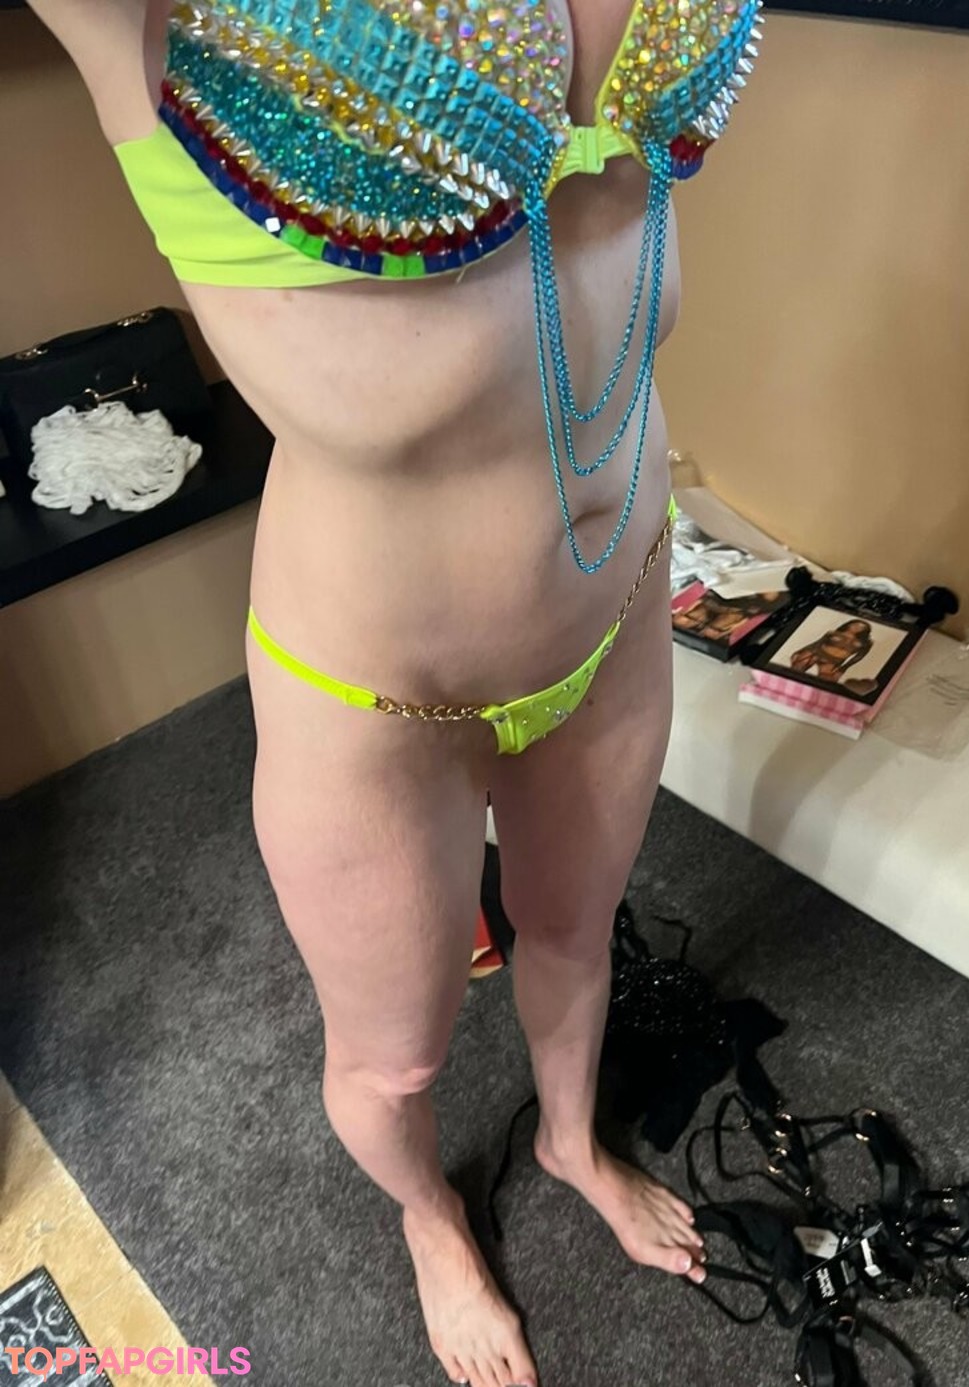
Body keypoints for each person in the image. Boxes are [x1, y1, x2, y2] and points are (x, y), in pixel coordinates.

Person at [25, 3, 763, 1383]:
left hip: (618, 598)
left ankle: (568, 1140)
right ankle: (431, 1218)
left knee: (576, 931)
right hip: (376, 693)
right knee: (394, 1059)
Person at [789, 619, 874, 683]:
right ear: (849, 625)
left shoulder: (865, 642)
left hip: (833, 661)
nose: (857, 627)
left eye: (862, 627)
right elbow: (817, 643)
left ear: (865, 630)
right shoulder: (832, 633)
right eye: (855, 624)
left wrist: (843, 669)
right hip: (815, 653)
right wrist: (799, 651)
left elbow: (859, 657)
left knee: (825, 682)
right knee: (794, 672)